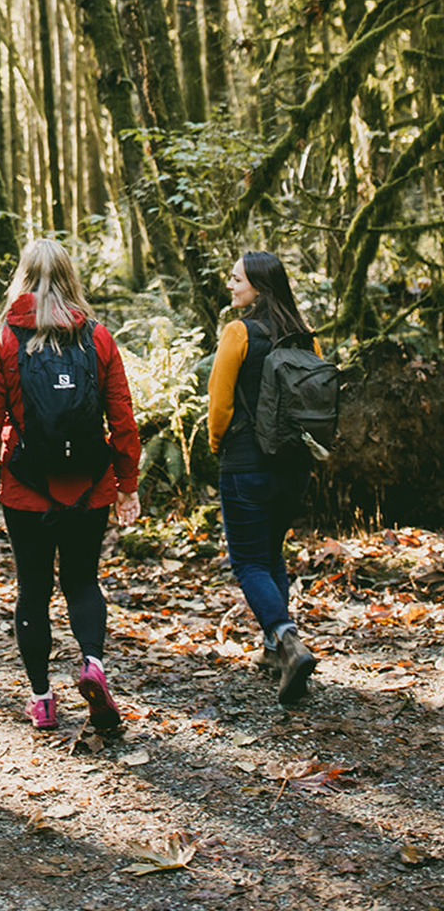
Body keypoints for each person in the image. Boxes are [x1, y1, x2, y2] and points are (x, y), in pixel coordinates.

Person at [0, 239, 140, 733]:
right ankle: (92, 665)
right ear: (71, 278)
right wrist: (126, 482)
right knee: (84, 581)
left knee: (34, 590)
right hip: (90, 485)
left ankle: (43, 700)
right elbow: (122, 417)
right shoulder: (98, 337)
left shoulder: (0, 340)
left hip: (26, 487)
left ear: (21, 277)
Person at [208, 251, 320, 704]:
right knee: (271, 554)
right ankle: (275, 651)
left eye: (237, 279)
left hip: (246, 464)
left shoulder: (238, 333)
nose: (231, 286)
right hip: (294, 467)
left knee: (248, 562)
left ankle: (287, 640)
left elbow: (220, 403)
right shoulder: (305, 338)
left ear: (258, 286)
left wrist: (218, 445)